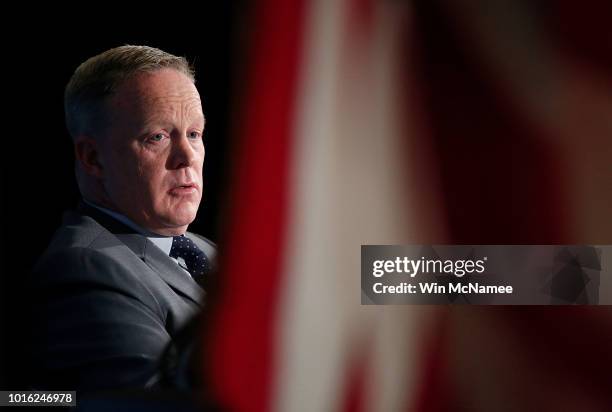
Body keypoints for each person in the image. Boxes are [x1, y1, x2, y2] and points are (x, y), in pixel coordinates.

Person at [27, 45, 215, 392]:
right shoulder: (85, 269)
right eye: (157, 137)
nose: (187, 157)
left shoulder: (207, 250)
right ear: (93, 158)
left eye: (194, 134)